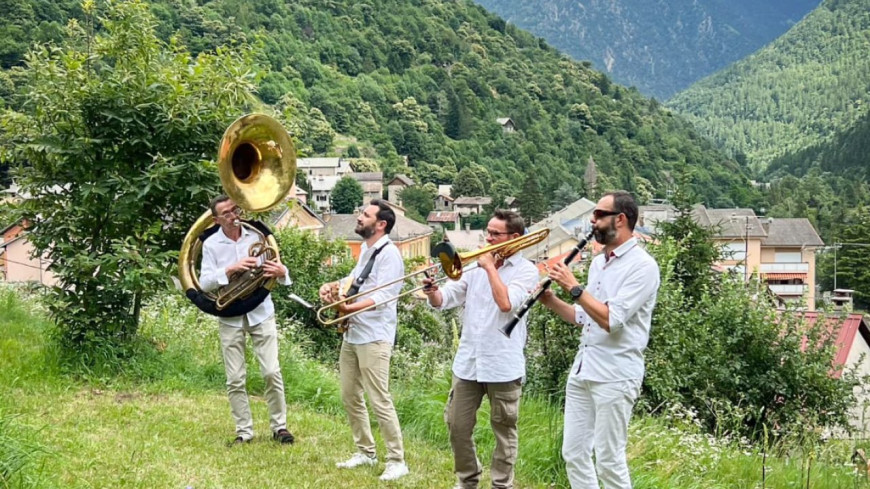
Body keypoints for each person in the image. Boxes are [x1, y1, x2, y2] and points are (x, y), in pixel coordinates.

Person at [539, 191, 659, 489]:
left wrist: (574, 287)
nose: (592, 221)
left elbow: (611, 320)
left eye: (599, 215)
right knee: (574, 454)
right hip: (584, 369)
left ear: (620, 219)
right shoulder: (598, 263)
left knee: (608, 459)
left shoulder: (643, 266)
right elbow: (585, 316)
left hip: (616, 375)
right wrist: (549, 299)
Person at [422, 209, 540, 489]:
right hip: (469, 361)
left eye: (495, 234)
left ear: (514, 237)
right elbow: (446, 298)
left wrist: (489, 268)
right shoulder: (475, 265)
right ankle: (467, 480)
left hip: (503, 363)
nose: (488, 238)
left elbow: (506, 304)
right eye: (488, 232)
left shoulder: (527, 270)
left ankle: (501, 484)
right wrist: (432, 292)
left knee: (504, 430)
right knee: (456, 425)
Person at [318, 199, 409, 482]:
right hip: (354, 333)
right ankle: (366, 452)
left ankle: (397, 460)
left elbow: (384, 296)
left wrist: (347, 308)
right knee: (350, 395)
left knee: (379, 399)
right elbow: (356, 280)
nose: (359, 217)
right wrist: (333, 286)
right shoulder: (368, 249)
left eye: (365, 215)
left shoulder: (390, 255)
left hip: (375, 336)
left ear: (381, 224)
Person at [199, 195, 296, 446]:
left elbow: (279, 268)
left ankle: (280, 427)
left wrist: (282, 272)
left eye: (235, 209)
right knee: (235, 378)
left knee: (271, 371)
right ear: (216, 220)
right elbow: (204, 283)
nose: (234, 215)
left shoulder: (257, 236)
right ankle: (244, 431)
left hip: (261, 311)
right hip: (230, 315)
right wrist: (231, 269)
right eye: (227, 213)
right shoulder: (211, 244)